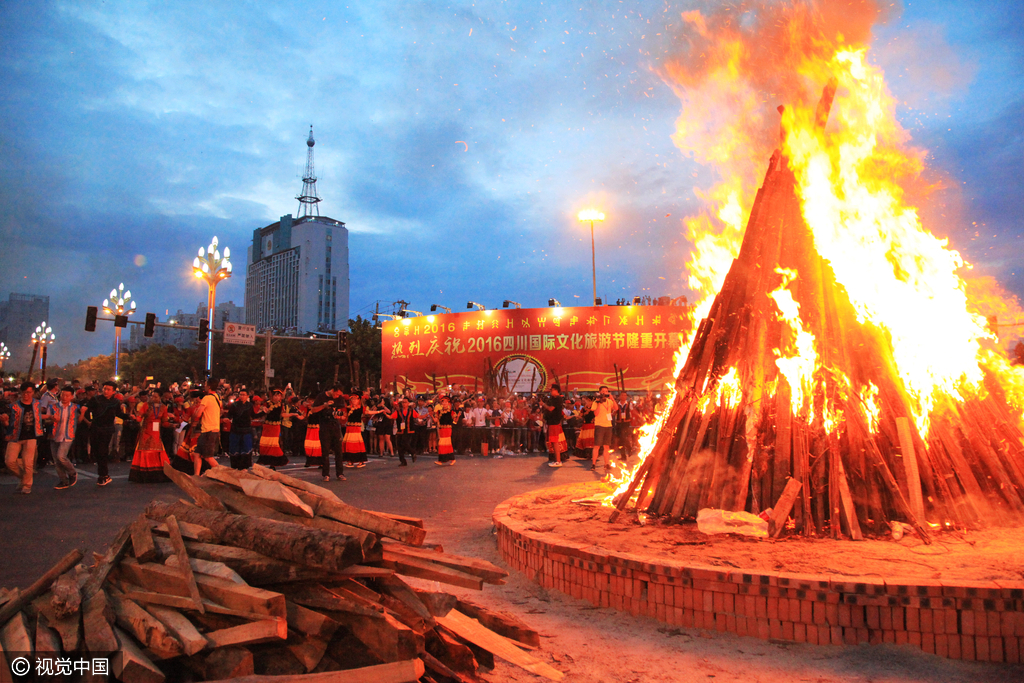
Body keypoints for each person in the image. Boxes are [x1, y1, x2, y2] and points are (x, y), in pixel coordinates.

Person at [4, 382, 43, 493]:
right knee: (9, 461)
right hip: (15, 436)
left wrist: (50, 416)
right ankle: (23, 477)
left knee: (28, 462)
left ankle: (27, 485)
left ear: (33, 393)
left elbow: (40, 416)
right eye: (24, 392)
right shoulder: (14, 406)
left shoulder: (37, 404)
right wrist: (5, 421)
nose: (26, 395)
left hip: (31, 436)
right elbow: (8, 421)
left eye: (29, 392)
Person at [84, 381, 125, 486]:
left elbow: (119, 414)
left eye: (108, 389)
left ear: (114, 391)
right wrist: (88, 418)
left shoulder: (115, 402)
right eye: (105, 389)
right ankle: (103, 474)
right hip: (95, 428)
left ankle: (103, 475)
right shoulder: (96, 399)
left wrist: (129, 417)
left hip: (107, 429)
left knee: (102, 451)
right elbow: (87, 409)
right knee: (96, 451)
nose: (106, 391)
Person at [128, 391, 171, 483]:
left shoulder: (163, 407)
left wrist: (174, 424)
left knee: (157, 451)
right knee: (145, 451)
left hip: (156, 434)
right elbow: (139, 418)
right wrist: (134, 418)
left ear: (160, 397)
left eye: (155, 397)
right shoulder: (146, 405)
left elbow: (165, 422)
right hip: (146, 432)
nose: (153, 398)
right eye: (152, 396)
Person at [49, 386, 82, 489]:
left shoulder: (75, 407)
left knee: (61, 456)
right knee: (56, 460)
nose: (64, 397)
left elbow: (80, 420)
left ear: (72, 396)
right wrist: (52, 419)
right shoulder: (53, 407)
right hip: (54, 435)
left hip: (68, 435)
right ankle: (63, 480)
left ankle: (72, 472)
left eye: (67, 395)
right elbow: (47, 419)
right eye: (63, 395)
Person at [311, 386, 346, 482]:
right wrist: (324, 406)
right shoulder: (321, 396)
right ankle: (326, 474)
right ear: (333, 390)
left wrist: (340, 415)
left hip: (335, 425)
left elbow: (342, 411)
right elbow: (313, 409)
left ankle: (340, 473)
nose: (338, 396)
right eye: (337, 394)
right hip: (324, 425)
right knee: (325, 451)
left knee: (338, 451)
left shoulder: (340, 399)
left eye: (340, 395)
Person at [189, 378, 222, 475]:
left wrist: (194, 420)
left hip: (208, 430)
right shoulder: (217, 397)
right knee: (197, 454)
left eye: (206, 384)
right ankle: (196, 475)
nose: (204, 386)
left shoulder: (207, 398)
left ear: (209, 386)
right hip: (212, 429)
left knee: (208, 457)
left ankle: (222, 473)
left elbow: (198, 413)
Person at [256, 388, 288, 468]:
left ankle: (273, 463)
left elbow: (282, 414)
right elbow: (259, 413)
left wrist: (293, 415)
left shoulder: (281, 405)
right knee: (265, 443)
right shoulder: (267, 404)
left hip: (276, 426)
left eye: (279, 396)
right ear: (272, 396)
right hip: (267, 426)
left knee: (274, 443)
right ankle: (267, 460)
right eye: (276, 395)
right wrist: (263, 411)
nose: (277, 397)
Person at [227, 389, 256, 469]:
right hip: (235, 430)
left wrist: (264, 412)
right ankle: (235, 466)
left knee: (246, 448)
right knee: (234, 448)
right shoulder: (234, 405)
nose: (242, 396)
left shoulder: (250, 405)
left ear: (247, 396)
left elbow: (253, 416)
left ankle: (244, 467)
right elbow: (229, 415)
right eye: (241, 394)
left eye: (244, 395)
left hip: (246, 430)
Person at [591, 385, 615, 474]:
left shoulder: (609, 401)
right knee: (597, 446)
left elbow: (616, 408)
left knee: (606, 446)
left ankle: (606, 464)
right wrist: (599, 403)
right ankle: (593, 464)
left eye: (606, 391)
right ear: (600, 392)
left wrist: (613, 399)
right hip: (599, 425)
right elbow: (596, 414)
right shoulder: (595, 402)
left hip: (608, 425)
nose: (605, 392)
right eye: (603, 391)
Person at [543, 384, 567, 467]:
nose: (550, 392)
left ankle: (558, 461)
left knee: (555, 442)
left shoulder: (558, 399)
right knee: (553, 442)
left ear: (556, 390)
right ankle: (557, 460)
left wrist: (543, 404)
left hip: (554, 423)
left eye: (551, 390)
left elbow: (550, 408)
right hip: (552, 422)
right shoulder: (555, 399)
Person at [342, 394, 367, 468]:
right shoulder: (348, 408)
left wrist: (379, 411)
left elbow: (368, 412)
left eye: (355, 399)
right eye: (352, 399)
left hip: (356, 429)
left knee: (357, 444)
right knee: (349, 444)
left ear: (358, 400)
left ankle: (361, 461)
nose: (353, 401)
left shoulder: (361, 408)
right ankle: (350, 461)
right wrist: (338, 416)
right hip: (349, 428)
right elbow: (344, 417)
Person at [435, 395, 456, 465]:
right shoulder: (439, 412)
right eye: (443, 402)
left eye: (445, 402)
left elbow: (455, 420)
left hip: (448, 429)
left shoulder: (451, 412)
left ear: (448, 403)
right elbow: (436, 420)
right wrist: (431, 415)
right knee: (442, 444)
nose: (444, 404)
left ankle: (449, 459)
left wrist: (457, 416)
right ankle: (443, 460)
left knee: (446, 444)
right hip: (441, 429)